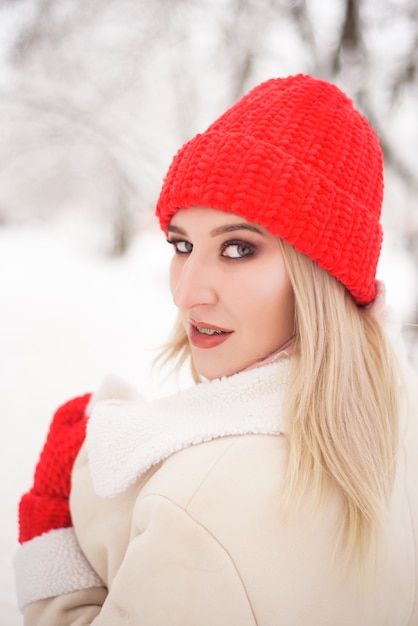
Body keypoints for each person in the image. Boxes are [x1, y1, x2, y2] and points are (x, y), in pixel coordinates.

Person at [14, 74, 418, 625]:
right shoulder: (395, 414)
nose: (185, 292)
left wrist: (55, 544)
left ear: (322, 275)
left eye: (237, 247)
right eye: (182, 244)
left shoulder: (196, 507)